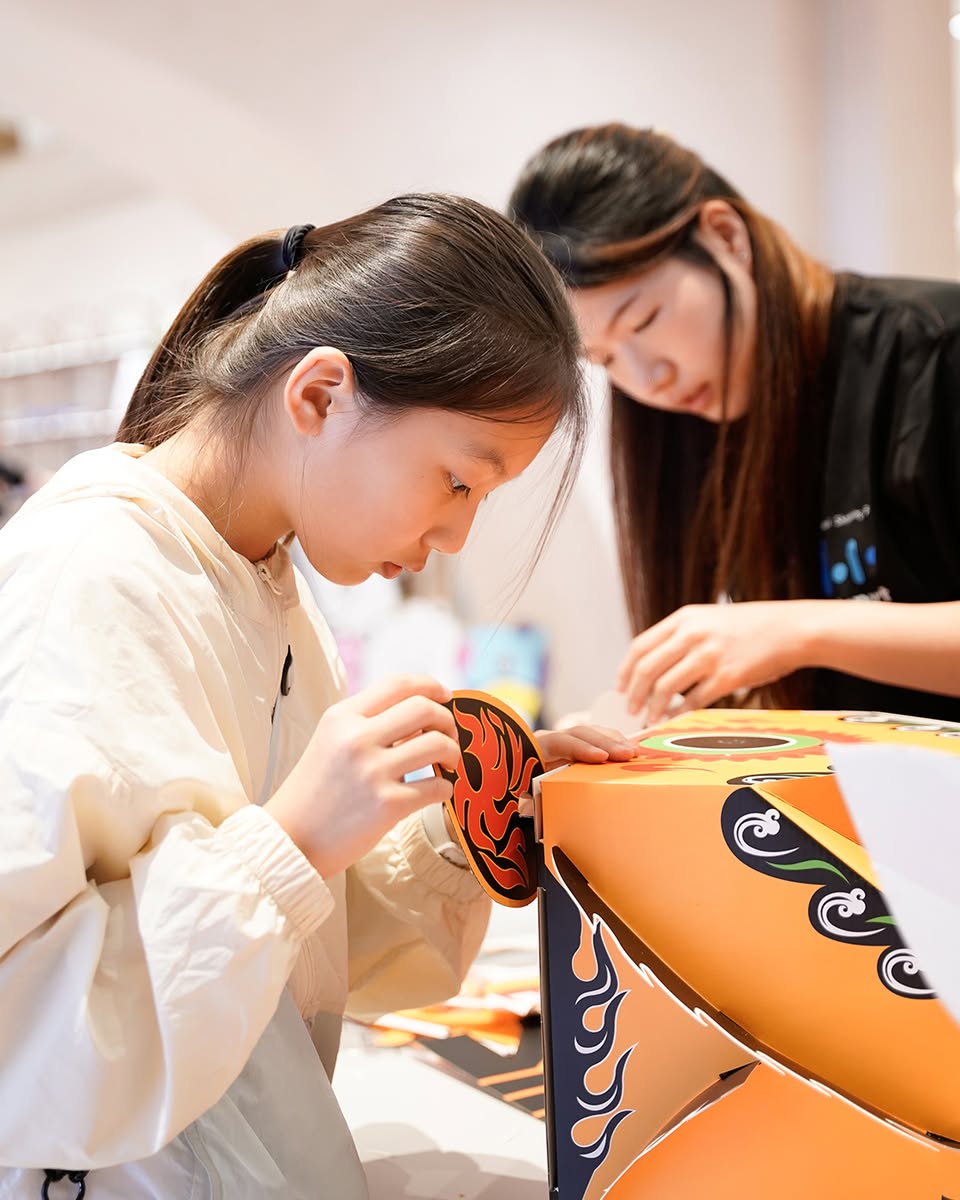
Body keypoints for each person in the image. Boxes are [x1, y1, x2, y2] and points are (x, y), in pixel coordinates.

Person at [0, 195, 636, 1199]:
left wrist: (465, 818)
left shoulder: (265, 585)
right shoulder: (85, 576)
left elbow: (293, 970)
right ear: (320, 397)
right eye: (459, 481)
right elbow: (21, 1035)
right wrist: (292, 842)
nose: (456, 535)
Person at [509, 123, 960, 726]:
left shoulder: (935, 351)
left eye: (644, 321)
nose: (650, 381)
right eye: (607, 359)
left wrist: (800, 628)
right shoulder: (691, 423)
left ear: (725, 236)